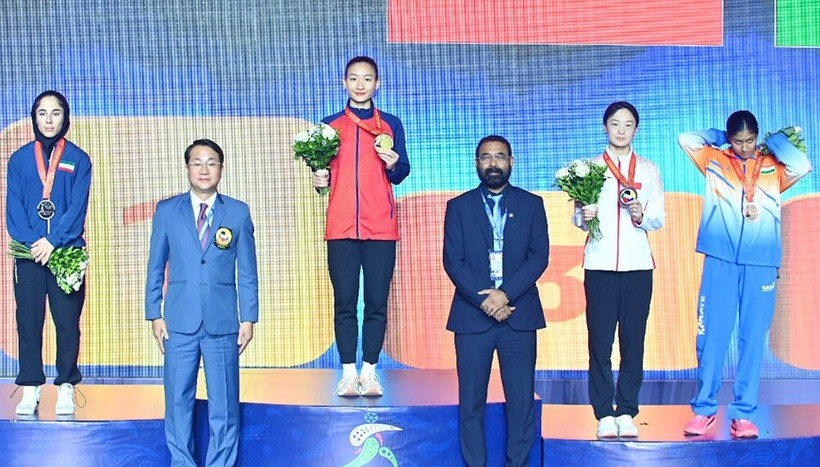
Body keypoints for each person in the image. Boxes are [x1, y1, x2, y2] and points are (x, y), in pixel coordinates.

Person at [678, 111, 811, 438]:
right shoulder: (714, 160)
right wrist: (720, 136)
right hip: (720, 259)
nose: (744, 147)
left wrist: (774, 143)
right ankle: (704, 409)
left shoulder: (773, 166)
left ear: (756, 137)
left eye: (749, 141)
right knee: (711, 338)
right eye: (738, 141)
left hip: (761, 262)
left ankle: (743, 414)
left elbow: (804, 165)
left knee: (752, 340)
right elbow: (686, 139)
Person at [145, 139, 259, 465]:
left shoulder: (237, 212)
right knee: (178, 403)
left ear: (221, 169)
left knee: (224, 405)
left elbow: (248, 271)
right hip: (178, 322)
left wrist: (248, 317)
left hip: (223, 323)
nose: (204, 169)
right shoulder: (167, 211)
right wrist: (154, 312)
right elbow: (156, 265)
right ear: (187, 168)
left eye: (211, 162)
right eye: (197, 162)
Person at [443, 135, 549, 467]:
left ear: (511, 162)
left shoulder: (532, 204)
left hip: (519, 315)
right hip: (473, 319)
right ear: (477, 164)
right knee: (471, 403)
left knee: (520, 402)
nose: (493, 163)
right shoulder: (458, 207)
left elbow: (538, 257)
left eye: (500, 157)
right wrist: (486, 301)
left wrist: (505, 294)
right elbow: (453, 261)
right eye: (486, 157)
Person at [312, 56, 410, 397]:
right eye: (353, 78)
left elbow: (401, 173)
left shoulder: (391, 124)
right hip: (340, 227)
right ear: (344, 82)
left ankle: (369, 371)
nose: (360, 84)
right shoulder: (328, 125)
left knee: (376, 302)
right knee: (344, 301)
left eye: (367, 78)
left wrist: (394, 163)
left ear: (377, 84)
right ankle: (346, 372)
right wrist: (318, 179)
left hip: (381, 227)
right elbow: (322, 181)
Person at [572, 102, 666, 438]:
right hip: (598, 266)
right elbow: (577, 220)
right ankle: (602, 412)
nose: (621, 130)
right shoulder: (589, 170)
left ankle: (626, 410)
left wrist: (640, 213)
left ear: (636, 130)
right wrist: (584, 215)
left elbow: (658, 218)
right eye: (615, 124)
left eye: (628, 125)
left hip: (638, 267)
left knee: (633, 340)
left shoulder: (649, 171)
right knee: (599, 341)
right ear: (605, 127)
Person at [7, 90, 92, 416]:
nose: (49, 119)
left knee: (67, 323)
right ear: (34, 117)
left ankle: (66, 386)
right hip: (29, 255)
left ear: (65, 117)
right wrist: (33, 243)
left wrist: (53, 241)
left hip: (66, 253)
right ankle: (31, 387)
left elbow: (76, 209)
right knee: (28, 323)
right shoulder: (20, 159)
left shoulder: (79, 159)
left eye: (56, 113)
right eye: (42, 113)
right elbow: (14, 209)